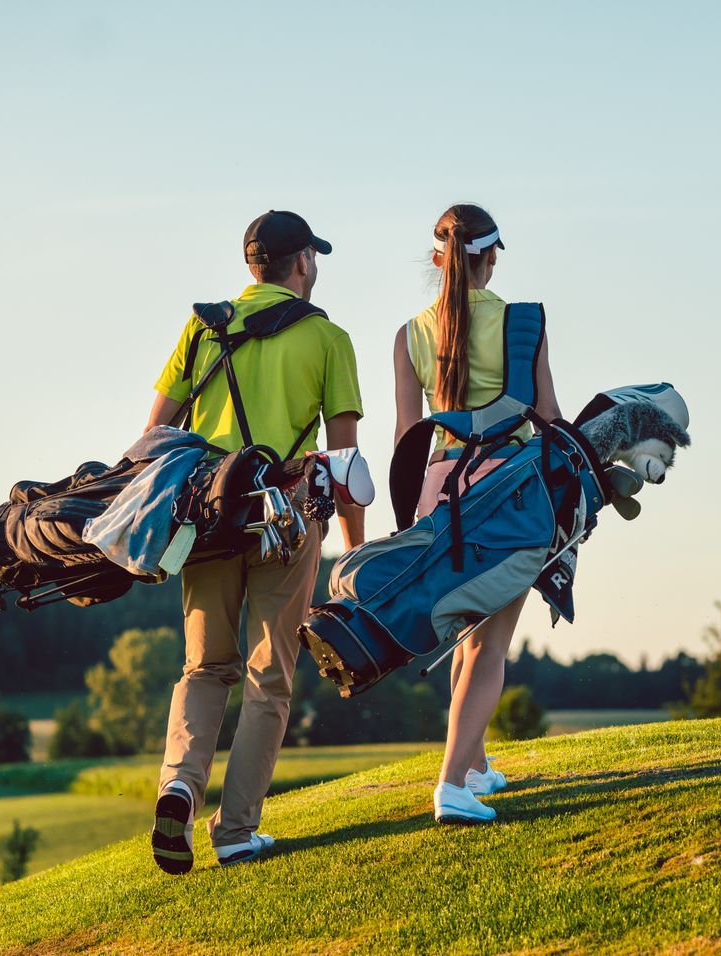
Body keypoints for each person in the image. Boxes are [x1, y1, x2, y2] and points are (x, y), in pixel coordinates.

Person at [144, 210, 366, 871]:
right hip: (287, 517)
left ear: (251, 267)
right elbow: (344, 464)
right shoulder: (328, 337)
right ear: (300, 263)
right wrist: (353, 554)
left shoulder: (201, 329)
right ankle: (236, 830)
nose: (315, 267)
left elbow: (154, 436)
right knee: (268, 678)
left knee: (205, 667)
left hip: (208, 518)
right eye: (313, 258)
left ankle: (179, 784)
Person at [394, 203, 559, 823]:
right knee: (491, 646)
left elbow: (408, 435)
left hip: (440, 488)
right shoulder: (524, 322)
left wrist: (411, 517)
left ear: (439, 260)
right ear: (488, 258)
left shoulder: (409, 332)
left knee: (465, 635)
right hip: (507, 492)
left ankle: (474, 766)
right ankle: (451, 788)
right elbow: (546, 415)